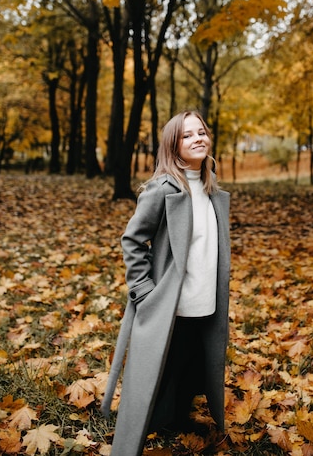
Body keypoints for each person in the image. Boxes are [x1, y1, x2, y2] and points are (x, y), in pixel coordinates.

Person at [101, 110, 231, 456]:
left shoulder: (210, 188)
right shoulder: (162, 190)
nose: (198, 139)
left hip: (203, 297)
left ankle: (178, 417)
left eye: (201, 132)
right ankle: (149, 422)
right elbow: (132, 240)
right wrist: (143, 290)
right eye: (187, 135)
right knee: (161, 365)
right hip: (170, 302)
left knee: (192, 362)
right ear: (173, 146)